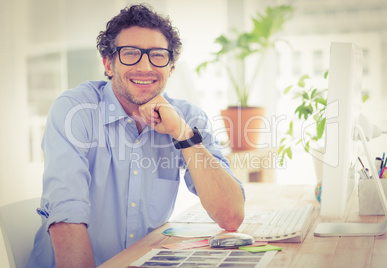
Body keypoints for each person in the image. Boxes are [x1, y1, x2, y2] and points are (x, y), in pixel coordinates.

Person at [28, 4, 245, 267]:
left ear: (171, 68)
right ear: (108, 64)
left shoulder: (187, 116)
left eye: (157, 55)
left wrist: (183, 134)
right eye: (130, 54)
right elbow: (67, 219)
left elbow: (231, 216)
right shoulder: (75, 111)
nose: (145, 66)